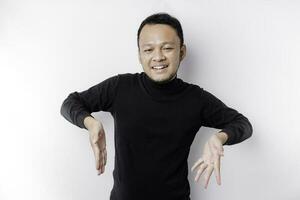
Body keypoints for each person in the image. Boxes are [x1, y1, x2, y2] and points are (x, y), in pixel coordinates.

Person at [60, 12, 253, 200]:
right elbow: (71, 103)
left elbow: (242, 124)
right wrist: (91, 123)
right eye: (148, 49)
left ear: (182, 51)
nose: (158, 57)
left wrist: (220, 138)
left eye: (167, 48)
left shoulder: (196, 99)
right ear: (139, 55)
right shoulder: (120, 87)